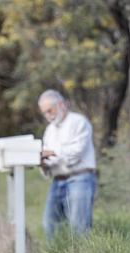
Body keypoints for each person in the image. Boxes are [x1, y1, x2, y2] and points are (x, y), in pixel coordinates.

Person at [38, 89, 96, 240]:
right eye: (44, 113)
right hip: (57, 181)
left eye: (50, 110)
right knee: (49, 224)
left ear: (61, 104)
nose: (48, 115)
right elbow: (47, 157)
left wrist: (51, 153)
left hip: (79, 178)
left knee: (79, 228)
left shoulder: (78, 122)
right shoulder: (49, 130)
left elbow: (75, 153)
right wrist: (42, 163)